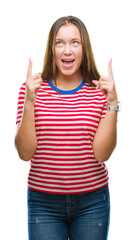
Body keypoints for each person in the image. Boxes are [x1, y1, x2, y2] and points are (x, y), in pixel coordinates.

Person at [15, 16, 119, 240]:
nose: (67, 51)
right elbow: (24, 153)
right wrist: (30, 102)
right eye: (59, 43)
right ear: (51, 48)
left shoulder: (99, 92)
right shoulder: (31, 89)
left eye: (75, 42)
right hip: (43, 203)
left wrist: (113, 103)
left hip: (92, 202)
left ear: (84, 48)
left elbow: (102, 154)